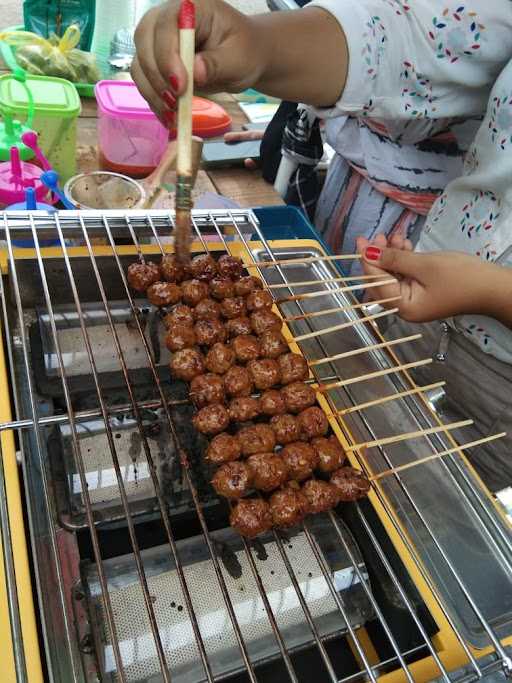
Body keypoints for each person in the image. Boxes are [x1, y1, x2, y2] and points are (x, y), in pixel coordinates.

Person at [132, 0, 512, 491]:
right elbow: (430, 42)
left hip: (501, 385)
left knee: (425, 504)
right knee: (356, 434)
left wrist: (492, 292)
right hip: (422, 281)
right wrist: (260, 46)